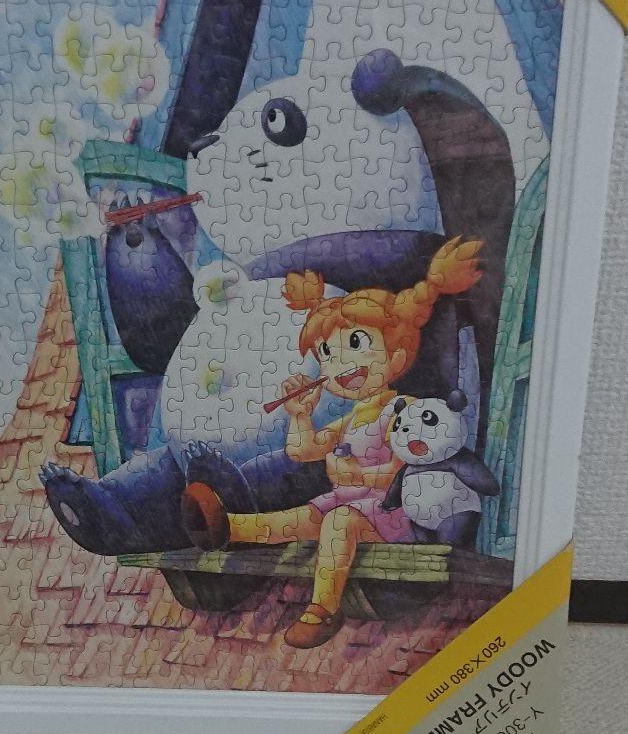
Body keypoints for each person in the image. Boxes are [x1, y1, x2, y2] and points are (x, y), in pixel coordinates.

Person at [180, 235, 483, 648]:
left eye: (355, 345)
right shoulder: (354, 417)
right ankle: (224, 526)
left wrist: (355, 473)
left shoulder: (404, 410)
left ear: (396, 356)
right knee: (299, 518)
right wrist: (300, 414)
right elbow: (302, 450)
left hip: (390, 515)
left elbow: (407, 474)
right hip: (346, 503)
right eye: (327, 354)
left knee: (338, 523)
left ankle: (323, 610)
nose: (341, 365)